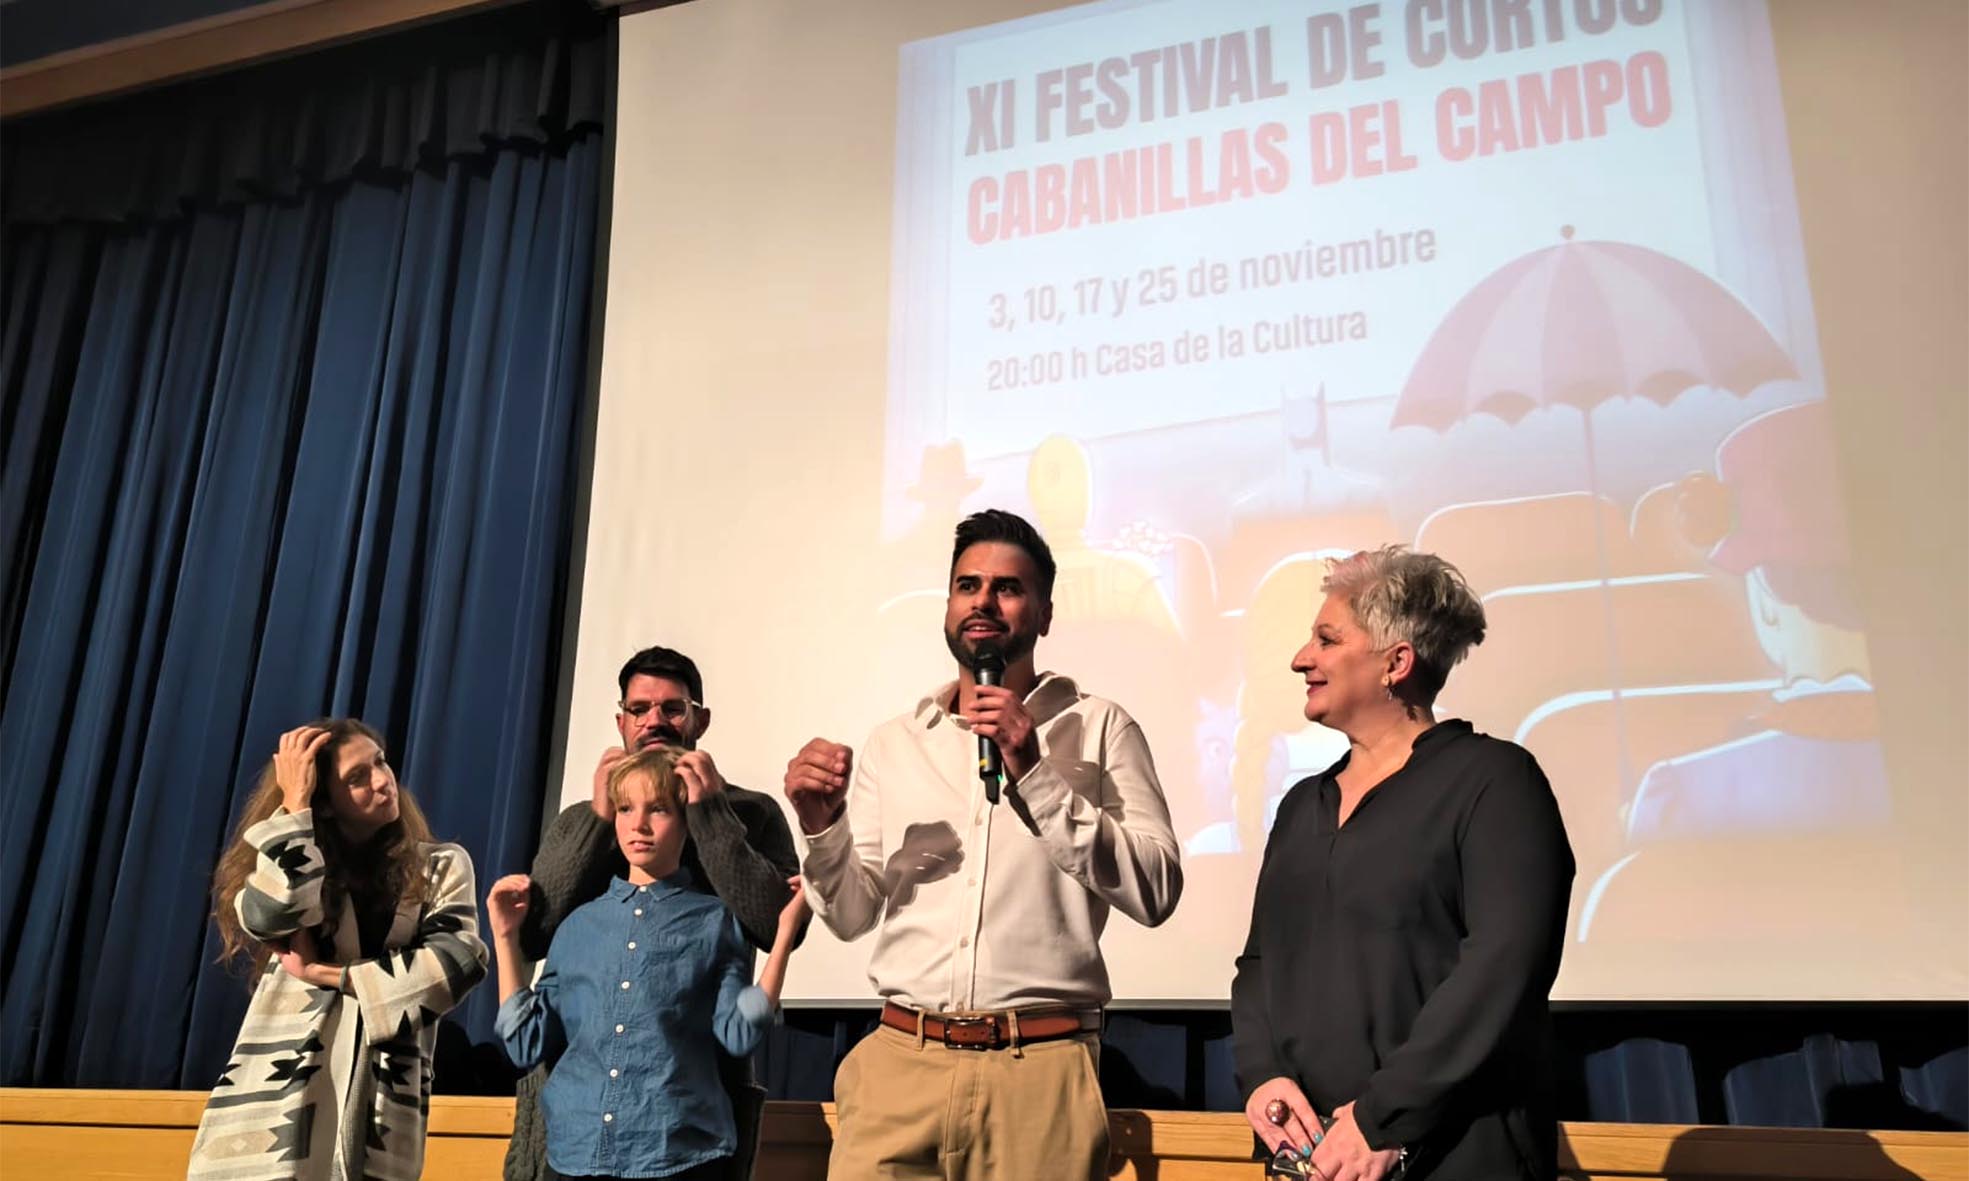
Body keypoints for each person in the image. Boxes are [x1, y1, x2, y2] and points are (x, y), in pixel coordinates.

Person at [785, 508, 1184, 1181]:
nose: (983, 602)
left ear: (1045, 613)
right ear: (948, 605)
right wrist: (821, 827)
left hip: (1040, 1071)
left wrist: (1033, 771)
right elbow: (851, 916)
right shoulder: (896, 740)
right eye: (967, 585)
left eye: (1007, 587)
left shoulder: (1100, 726)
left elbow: (1156, 889)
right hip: (898, 1065)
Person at [1232, 547, 1574, 1181]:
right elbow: (1259, 963)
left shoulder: (1493, 782)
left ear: (1396, 662)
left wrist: (1380, 1120)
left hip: (1454, 1154)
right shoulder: (1303, 804)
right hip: (1312, 1159)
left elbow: (1504, 966)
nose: (1300, 658)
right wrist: (1264, 1078)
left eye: (1327, 639)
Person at [505, 645, 799, 1181]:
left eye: (672, 708)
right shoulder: (588, 816)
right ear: (620, 720)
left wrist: (709, 816)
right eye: (639, 709)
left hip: (689, 1110)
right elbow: (536, 936)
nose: (654, 722)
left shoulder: (751, 813)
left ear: (699, 720)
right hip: (578, 1108)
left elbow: (774, 921)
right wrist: (598, 819)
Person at [189, 719, 488, 1181]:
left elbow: (456, 963)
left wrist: (324, 973)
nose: (382, 780)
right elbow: (270, 912)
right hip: (278, 1105)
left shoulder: (440, 866)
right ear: (324, 806)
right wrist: (293, 804)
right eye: (357, 777)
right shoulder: (294, 857)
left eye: (380, 762)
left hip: (381, 1107)